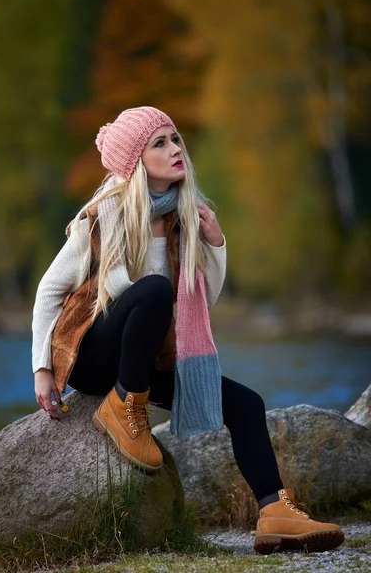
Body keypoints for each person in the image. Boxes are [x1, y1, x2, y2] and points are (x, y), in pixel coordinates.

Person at [32, 106, 344, 554]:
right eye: (159, 143)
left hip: (145, 358)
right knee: (155, 290)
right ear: (137, 161)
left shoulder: (185, 220)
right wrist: (43, 368)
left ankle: (274, 512)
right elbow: (48, 292)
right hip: (94, 357)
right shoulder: (101, 220)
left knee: (246, 403)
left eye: (175, 138)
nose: (175, 149)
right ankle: (123, 408)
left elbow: (201, 304)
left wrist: (215, 244)